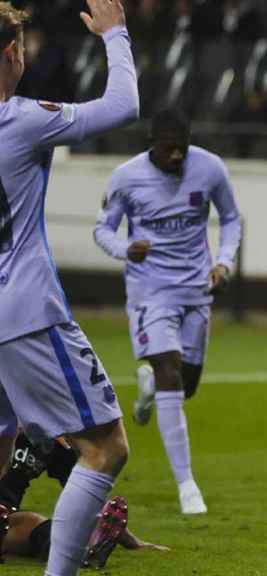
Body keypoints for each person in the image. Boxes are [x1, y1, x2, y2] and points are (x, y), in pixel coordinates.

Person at [0, 2, 138, 574]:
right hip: (24, 308)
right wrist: (116, 35)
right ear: (13, 51)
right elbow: (123, 106)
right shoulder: (23, 119)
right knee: (105, 448)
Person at [93, 107, 241, 515]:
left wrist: (225, 261)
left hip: (196, 289)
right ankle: (187, 485)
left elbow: (230, 217)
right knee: (170, 370)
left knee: (185, 385)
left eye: (183, 148)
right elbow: (102, 229)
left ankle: (149, 389)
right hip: (150, 292)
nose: (177, 157)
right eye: (169, 149)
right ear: (152, 145)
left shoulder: (209, 169)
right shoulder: (127, 177)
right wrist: (126, 250)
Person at [0, 432, 167, 567]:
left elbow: (87, 492)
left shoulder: (53, 440)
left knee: (31, 521)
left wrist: (132, 542)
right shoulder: (6, 425)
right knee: (24, 520)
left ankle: (86, 552)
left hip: (7, 519)